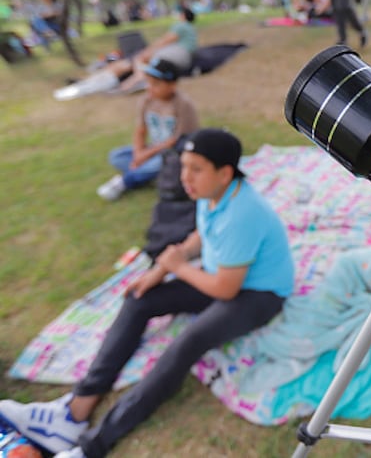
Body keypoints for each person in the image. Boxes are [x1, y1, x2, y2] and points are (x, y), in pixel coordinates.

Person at [0, 128, 295, 458]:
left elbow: (225, 290)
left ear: (225, 172)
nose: (185, 177)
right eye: (184, 166)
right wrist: (161, 270)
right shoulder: (213, 192)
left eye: (196, 168)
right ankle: (74, 411)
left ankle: (89, 449)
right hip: (217, 277)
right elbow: (202, 233)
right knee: (140, 298)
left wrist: (178, 267)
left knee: (185, 344)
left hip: (255, 295)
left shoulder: (243, 213)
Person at [96, 57, 200, 201]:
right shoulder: (146, 101)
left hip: (173, 154)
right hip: (152, 149)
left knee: (160, 163)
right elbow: (140, 130)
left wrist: (144, 156)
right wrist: (139, 154)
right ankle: (153, 175)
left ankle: (124, 182)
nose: (149, 88)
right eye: (148, 82)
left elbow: (175, 141)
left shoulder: (183, 105)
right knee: (116, 156)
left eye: (156, 84)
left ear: (172, 85)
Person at [53, 6, 197, 100]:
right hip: (176, 56)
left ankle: (135, 80)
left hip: (176, 56)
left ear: (183, 15)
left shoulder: (181, 26)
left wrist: (147, 51)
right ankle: (89, 81)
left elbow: (165, 40)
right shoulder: (189, 29)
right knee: (126, 62)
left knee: (135, 59)